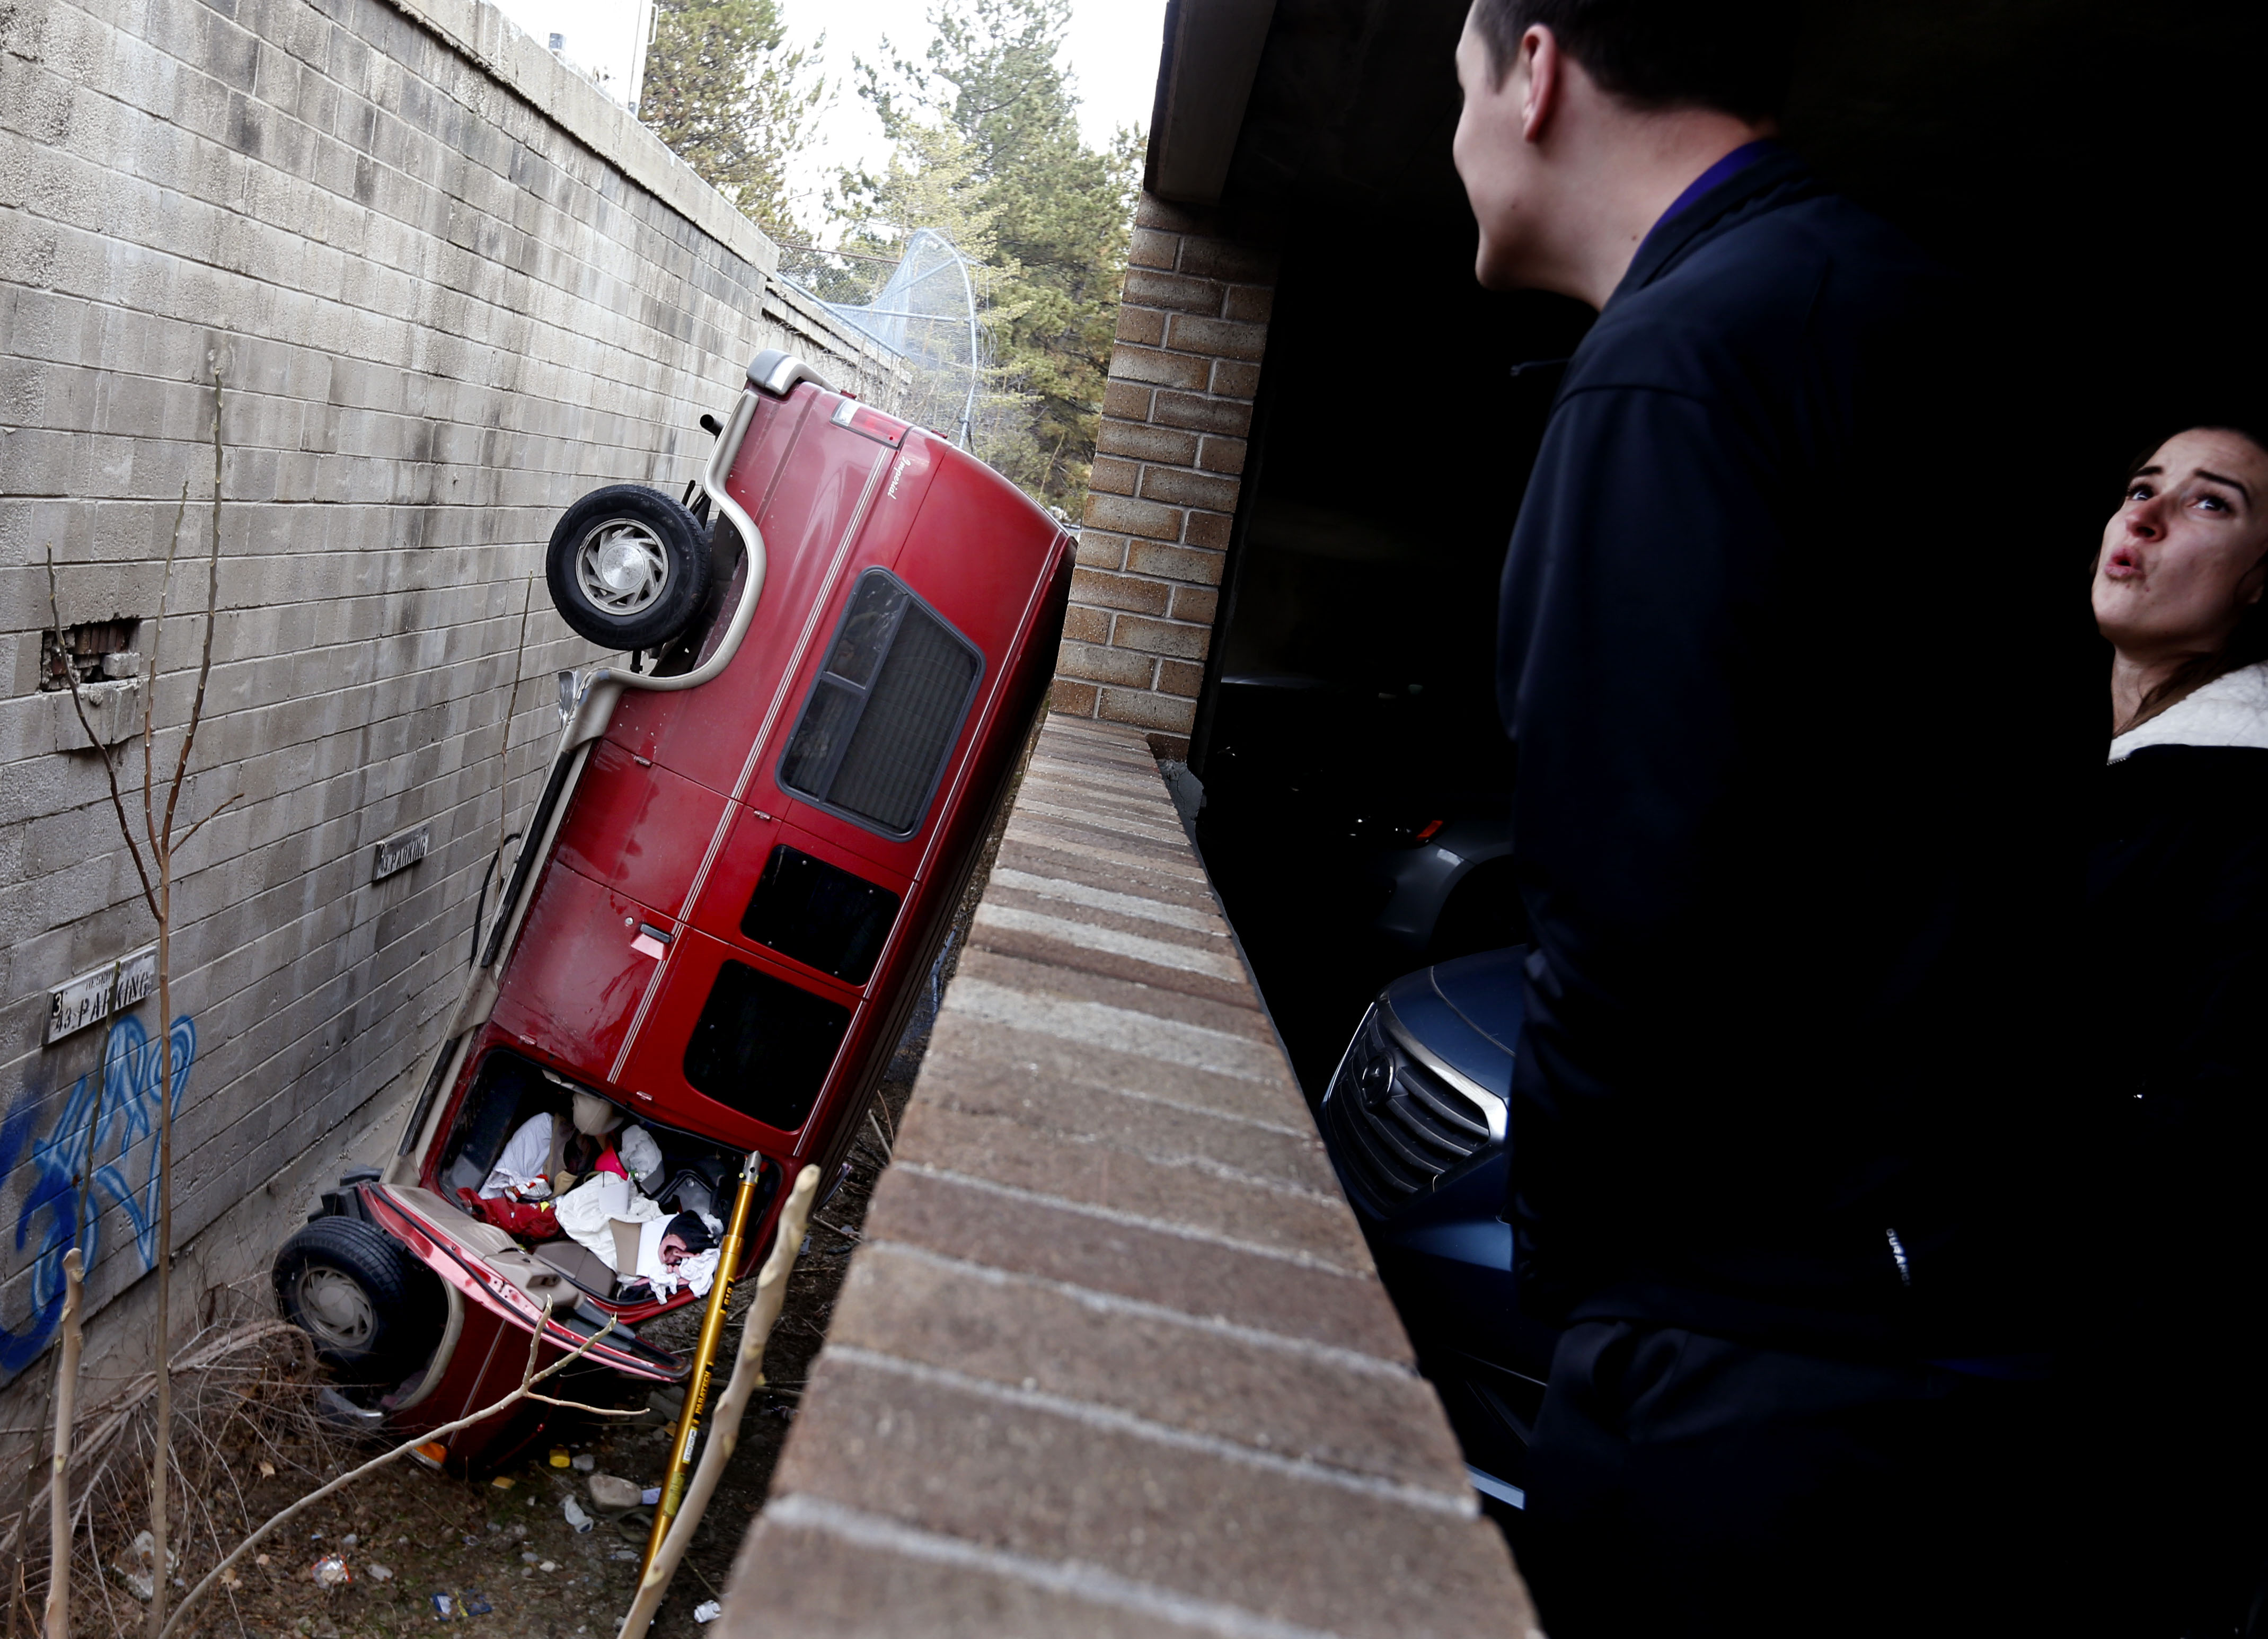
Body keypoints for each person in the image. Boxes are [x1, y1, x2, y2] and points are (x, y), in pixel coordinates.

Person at [1451, 2, 2085, 1632]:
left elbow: (1618, 914)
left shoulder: (1673, 368)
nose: (1454, 138)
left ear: (1537, 73)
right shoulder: (1919, 306)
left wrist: (1583, 1292)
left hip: (1745, 1371)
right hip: (1955, 1341)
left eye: (1459, 86)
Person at [2088, 425, 2268, 1634]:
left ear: (2260, 585)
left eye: (2211, 503)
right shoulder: (2125, 774)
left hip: (2130, 1384)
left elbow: (2218, 1114)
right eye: (2141, 487)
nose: (2144, 517)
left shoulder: (2240, 801)